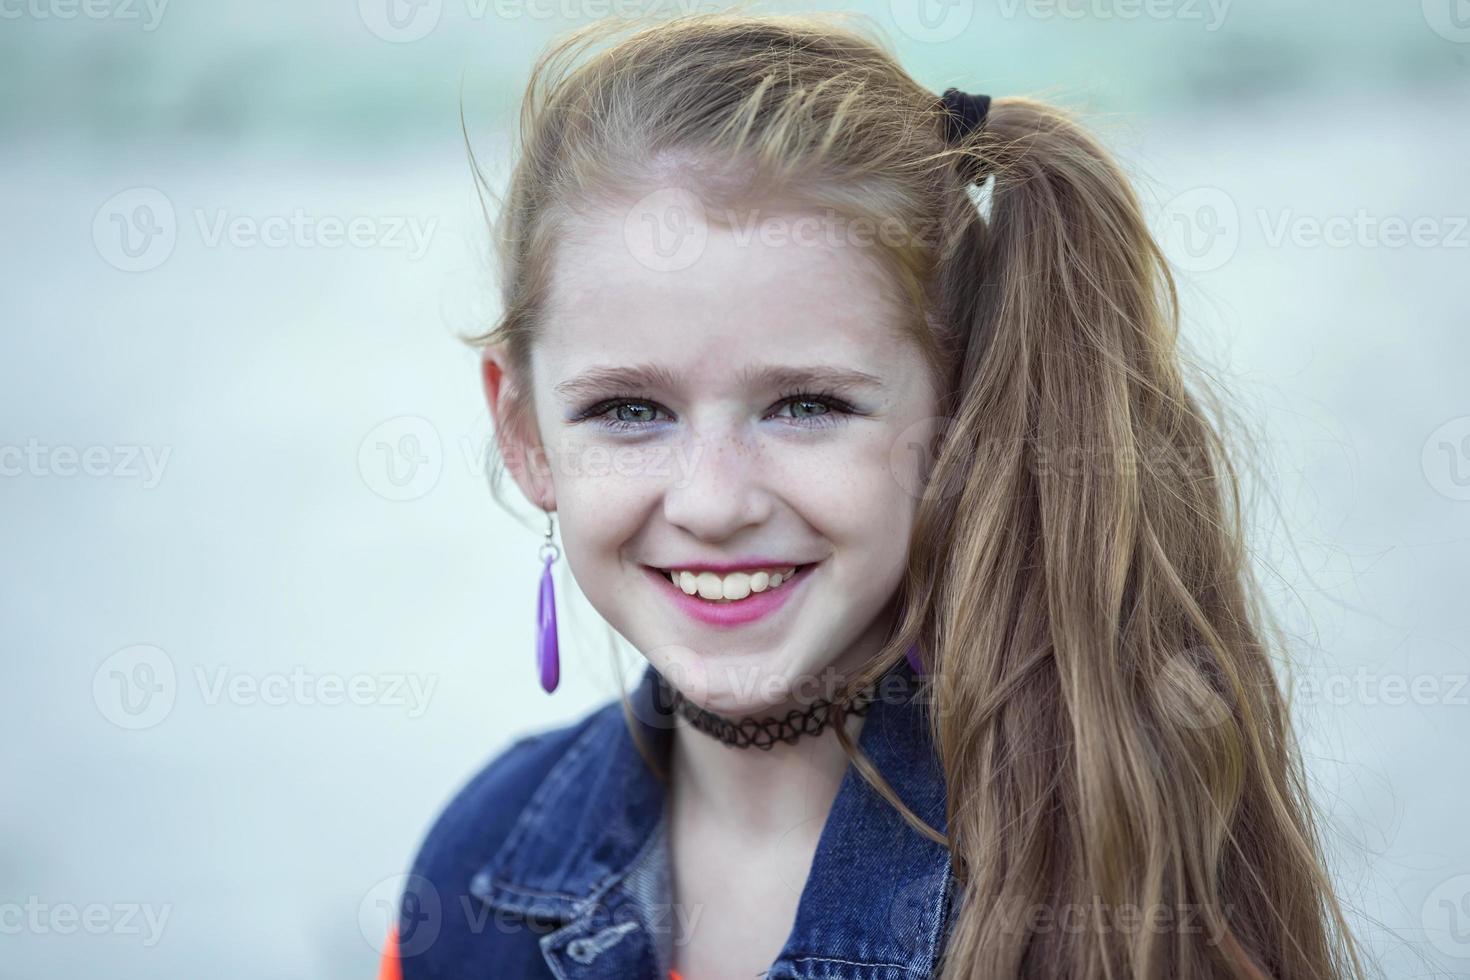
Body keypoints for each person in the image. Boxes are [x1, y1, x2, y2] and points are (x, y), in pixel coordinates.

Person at [382, 10, 1368, 979]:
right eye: (629, 410)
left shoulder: (1110, 858)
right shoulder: (476, 868)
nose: (715, 503)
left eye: (805, 404)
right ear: (524, 433)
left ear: (953, 410)